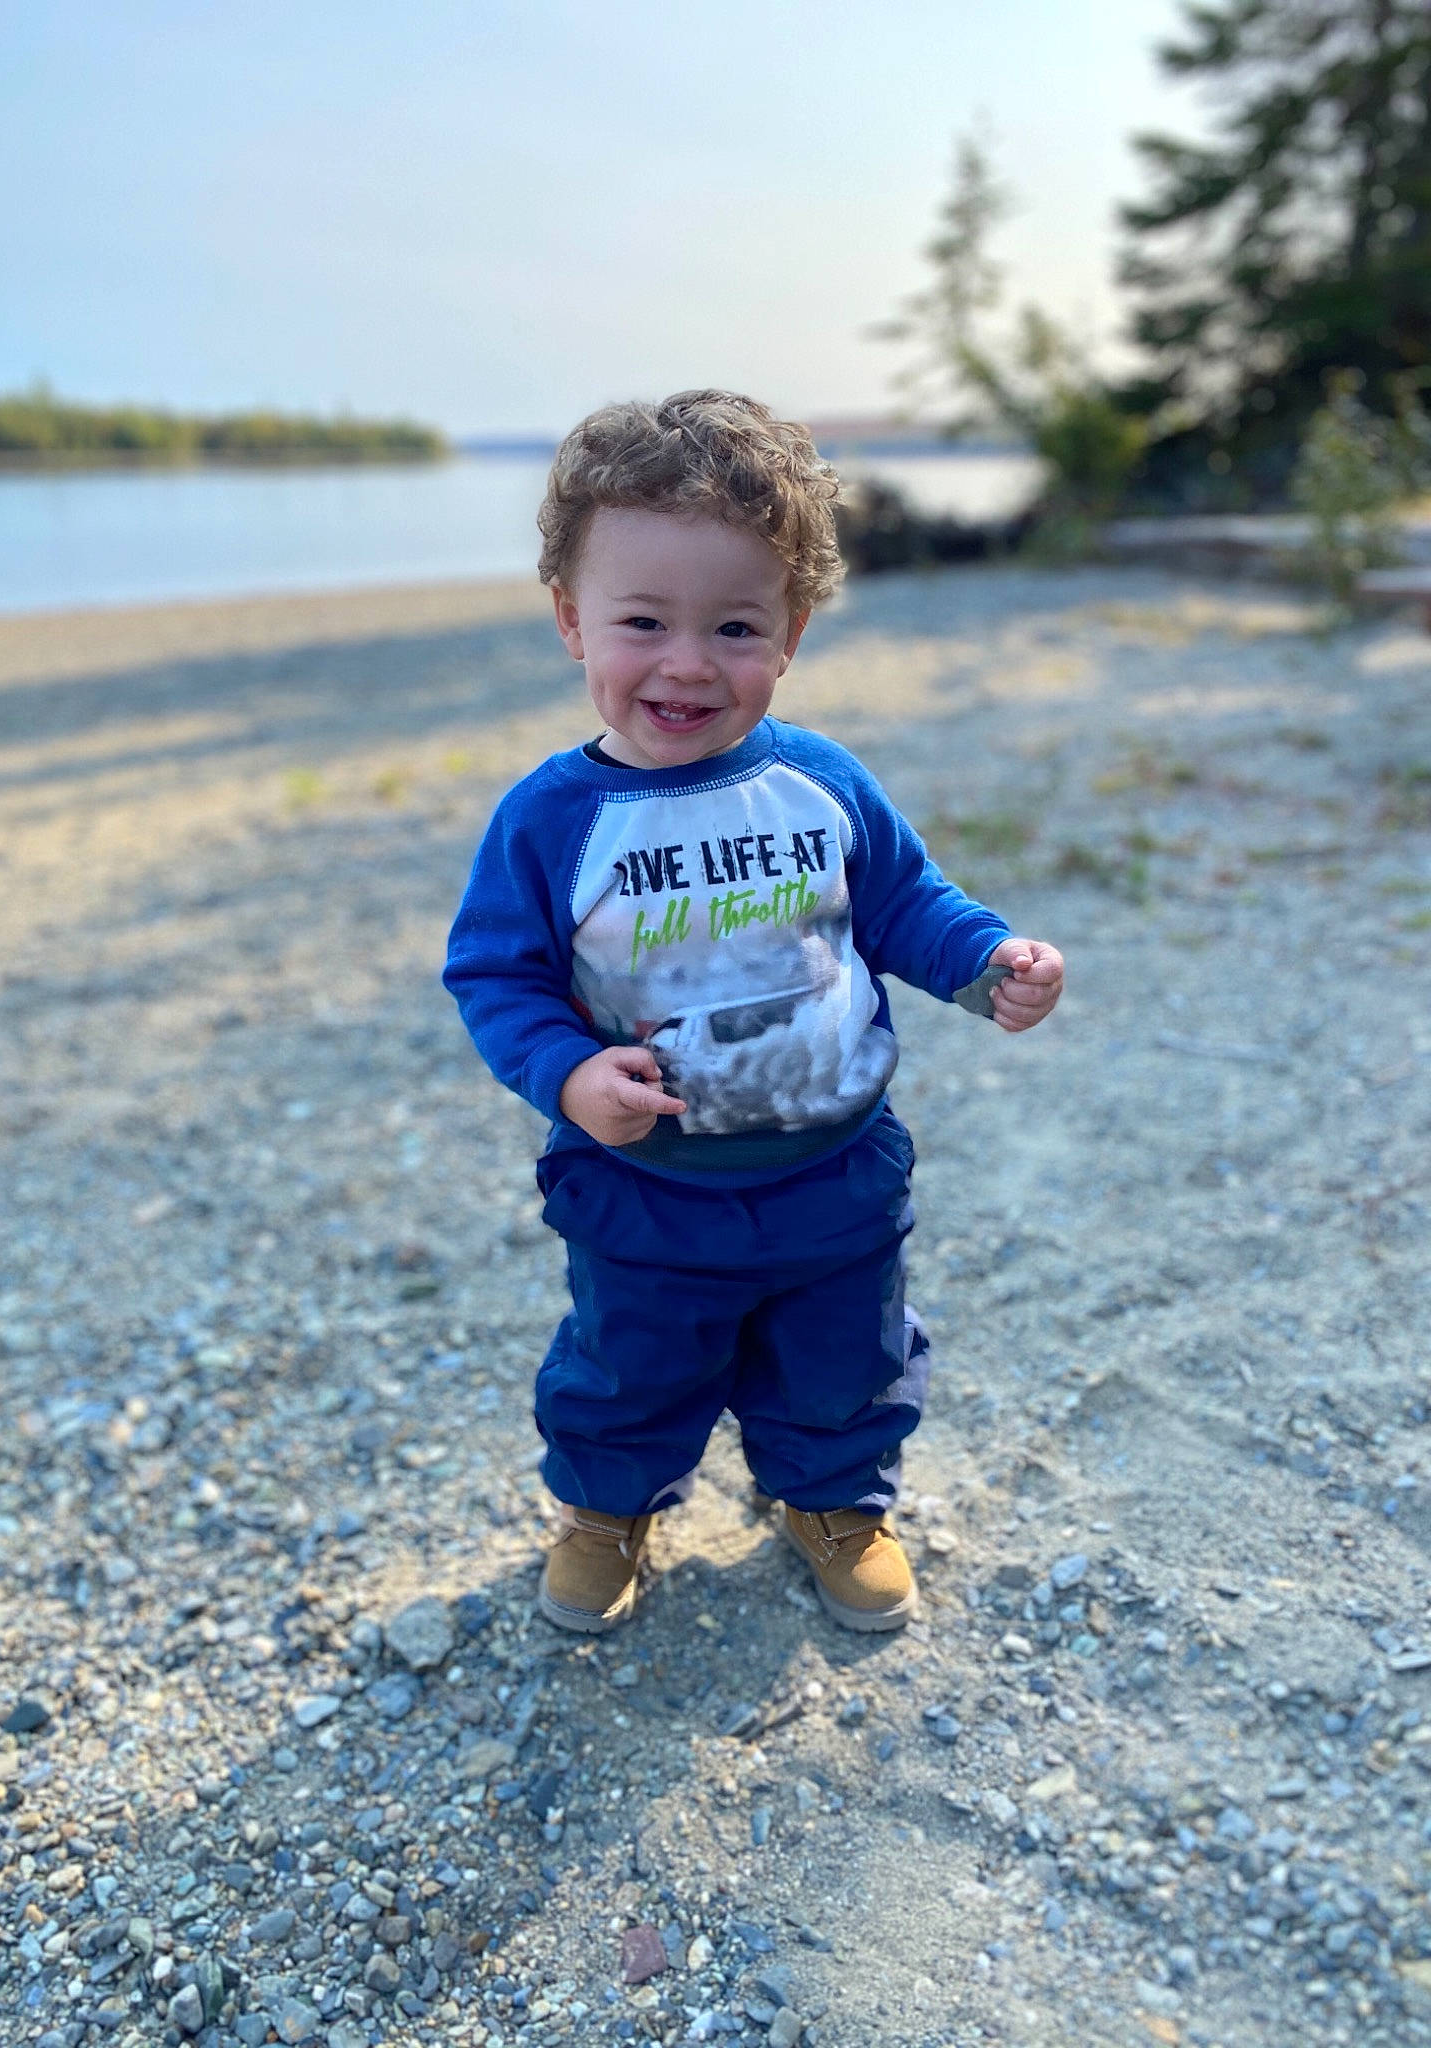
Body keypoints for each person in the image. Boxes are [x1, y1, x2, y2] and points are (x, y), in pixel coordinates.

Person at [443, 391, 1063, 1635]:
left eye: (734, 624)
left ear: (791, 632)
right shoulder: (553, 820)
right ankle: (608, 1506)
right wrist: (569, 1077)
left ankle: (835, 1497)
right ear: (573, 620)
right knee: (629, 1361)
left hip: (833, 1165)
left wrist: (985, 957)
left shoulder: (820, 781)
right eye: (642, 621)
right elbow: (496, 976)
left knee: (846, 1355)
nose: (686, 661)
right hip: (647, 1182)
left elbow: (902, 901)